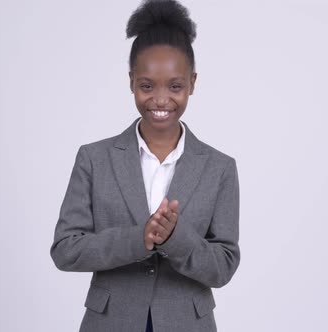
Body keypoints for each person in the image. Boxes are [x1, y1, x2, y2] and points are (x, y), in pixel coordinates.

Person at [50, 1, 241, 331]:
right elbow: (66, 249)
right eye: (147, 85)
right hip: (110, 322)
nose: (161, 100)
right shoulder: (94, 159)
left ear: (192, 83)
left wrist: (174, 239)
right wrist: (139, 238)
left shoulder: (219, 168)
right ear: (131, 81)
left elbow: (223, 266)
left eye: (175, 86)